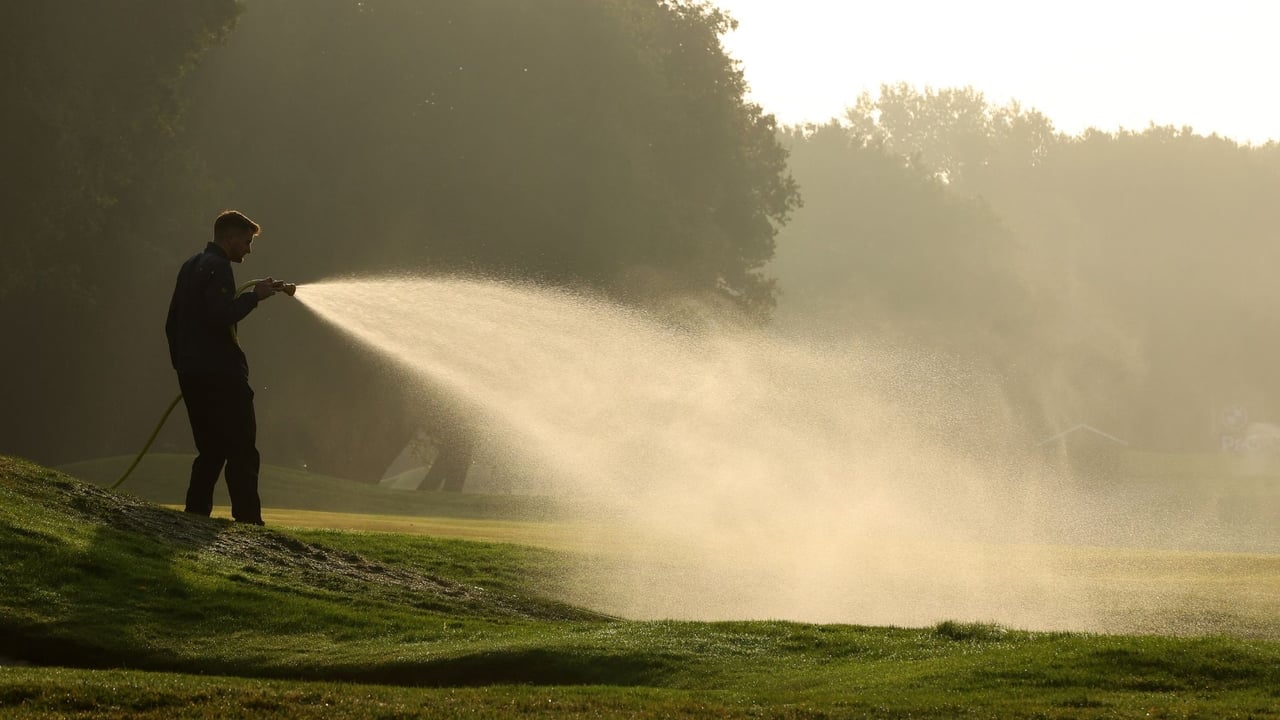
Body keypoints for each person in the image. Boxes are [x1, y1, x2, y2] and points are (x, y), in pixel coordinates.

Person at [165, 210, 284, 525]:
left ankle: (194, 515)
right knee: (242, 449)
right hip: (222, 375)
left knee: (211, 449)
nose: (248, 249)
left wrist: (184, 365)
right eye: (246, 242)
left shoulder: (190, 266)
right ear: (229, 238)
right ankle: (248, 521)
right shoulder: (219, 268)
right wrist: (254, 298)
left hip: (192, 374)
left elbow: (172, 322)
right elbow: (220, 316)